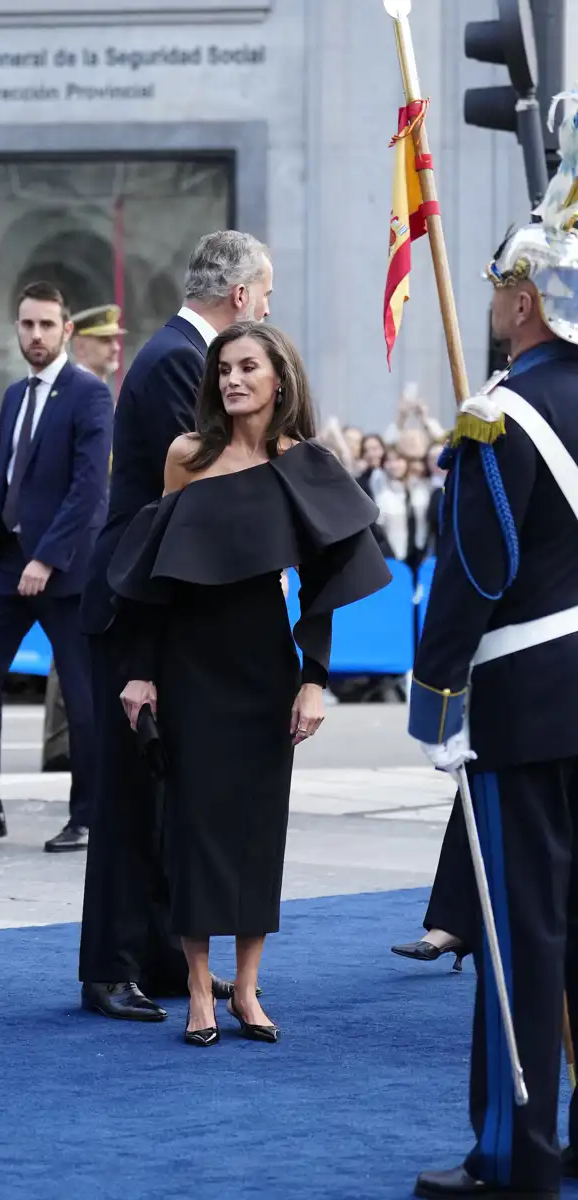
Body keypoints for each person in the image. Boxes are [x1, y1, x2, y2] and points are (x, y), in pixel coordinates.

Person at [108, 323, 389, 1045]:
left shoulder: (304, 464)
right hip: (189, 661)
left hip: (266, 663)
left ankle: (250, 991)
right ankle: (201, 992)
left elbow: (326, 582)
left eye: (247, 367)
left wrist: (314, 680)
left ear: (278, 378)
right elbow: (152, 577)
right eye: (223, 369)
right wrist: (141, 672)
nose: (232, 379)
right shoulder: (186, 457)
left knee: (259, 829)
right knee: (196, 827)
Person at [406, 112, 578, 1198]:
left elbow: (470, 573)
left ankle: (513, 1155)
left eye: (497, 288)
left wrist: (432, 702)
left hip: (520, 700)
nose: (489, 303)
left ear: (523, 300)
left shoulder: (494, 415)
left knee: (523, 932)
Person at [79, 229, 274, 1021]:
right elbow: (196, 494)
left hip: (157, 601)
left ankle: (160, 956)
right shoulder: (176, 362)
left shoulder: (174, 353)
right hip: (137, 604)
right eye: (265, 295)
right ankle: (109, 968)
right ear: (238, 296)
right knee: (127, 793)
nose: (266, 309)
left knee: (161, 794)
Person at [0, 281, 113, 852]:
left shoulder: (89, 395)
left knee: (82, 698)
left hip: (65, 570)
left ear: (67, 331)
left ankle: (88, 815)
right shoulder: (13, 395)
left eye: (46, 325)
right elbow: (6, 482)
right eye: (26, 324)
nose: (35, 334)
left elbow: (90, 491)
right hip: (7, 567)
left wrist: (46, 557)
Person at [41, 304, 127, 775]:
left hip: (98, 537)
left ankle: (71, 745)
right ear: (80, 343)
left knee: (78, 650)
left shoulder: (100, 394)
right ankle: (62, 747)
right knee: (70, 651)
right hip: (74, 544)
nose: (116, 346)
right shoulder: (69, 394)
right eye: (106, 338)